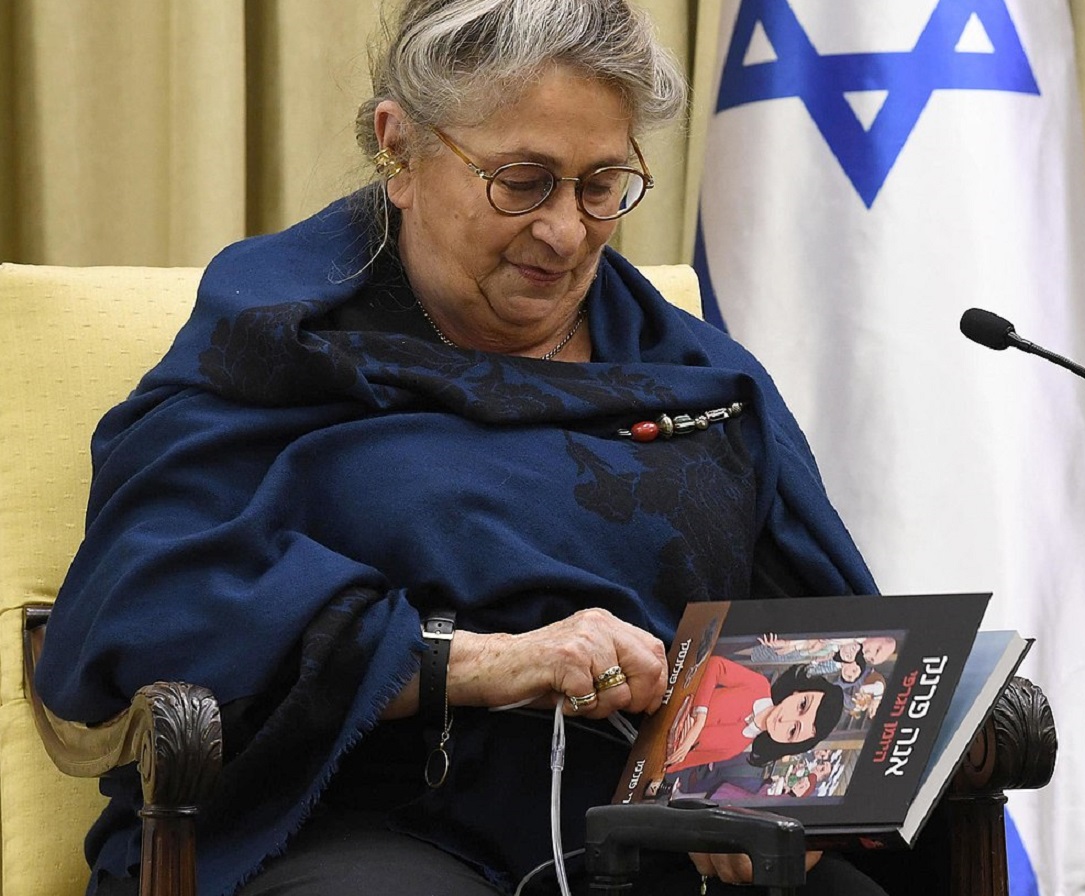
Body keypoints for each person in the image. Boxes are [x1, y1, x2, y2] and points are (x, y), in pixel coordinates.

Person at [34, 2, 888, 895]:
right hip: (353, 816)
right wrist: (480, 663)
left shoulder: (697, 372)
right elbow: (145, 603)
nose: (565, 232)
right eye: (522, 181)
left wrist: (768, 775)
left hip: (657, 821)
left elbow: (820, 629)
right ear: (399, 149)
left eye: (602, 186)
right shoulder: (278, 341)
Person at [664, 657, 843, 773]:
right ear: (797, 692)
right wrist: (699, 718)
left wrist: (676, 752)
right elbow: (715, 665)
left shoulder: (733, 749)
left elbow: (675, 764)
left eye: (792, 731)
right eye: (802, 705)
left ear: (788, 744)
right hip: (668, 692)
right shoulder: (758, 685)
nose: (784, 720)